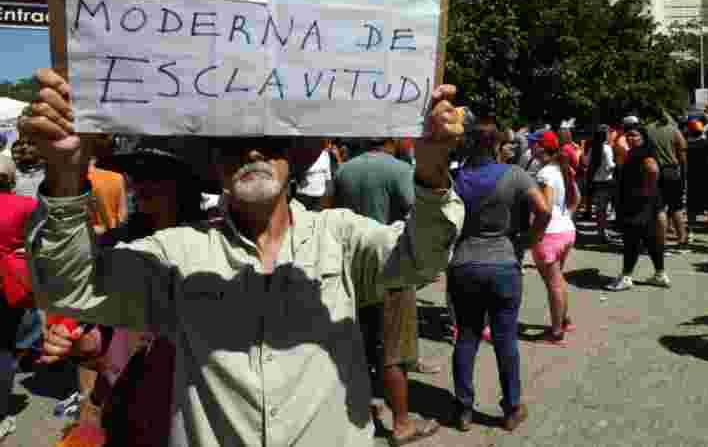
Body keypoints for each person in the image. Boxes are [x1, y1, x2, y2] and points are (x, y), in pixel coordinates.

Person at [18, 68, 464, 447]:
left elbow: (421, 260)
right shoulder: (177, 251)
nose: (252, 152)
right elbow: (68, 287)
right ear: (215, 164)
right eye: (234, 144)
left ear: (292, 157)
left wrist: (430, 169)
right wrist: (65, 173)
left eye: (269, 141)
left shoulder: (342, 236)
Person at [40, 138, 204, 447]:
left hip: (190, 402)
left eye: (155, 174)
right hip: (127, 402)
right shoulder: (114, 246)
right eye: (136, 174)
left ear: (184, 183)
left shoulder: (212, 246)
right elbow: (99, 337)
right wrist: (78, 342)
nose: (140, 184)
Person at [333, 136, 443, 444]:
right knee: (394, 349)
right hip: (392, 264)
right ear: (392, 138)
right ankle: (402, 423)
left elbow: (330, 213)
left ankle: (365, 408)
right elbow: (419, 214)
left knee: (363, 343)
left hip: (354, 266)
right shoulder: (398, 170)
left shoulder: (344, 170)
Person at [450, 114, 550, 432]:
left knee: (466, 336)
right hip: (504, 264)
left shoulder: (455, 177)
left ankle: (463, 410)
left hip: (464, 264)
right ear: (496, 143)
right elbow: (544, 210)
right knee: (506, 340)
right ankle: (510, 409)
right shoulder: (515, 175)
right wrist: (530, 239)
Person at [0, 156, 37, 440]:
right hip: (10, 283)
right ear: (12, 179)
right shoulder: (27, 205)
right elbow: (44, 243)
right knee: (5, 348)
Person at [606, 121, 667, 291]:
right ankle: (660, 274)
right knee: (649, 238)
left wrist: (646, 190)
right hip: (645, 202)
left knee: (631, 239)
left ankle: (626, 276)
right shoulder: (637, 152)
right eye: (629, 135)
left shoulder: (641, 153)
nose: (630, 138)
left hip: (637, 203)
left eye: (635, 135)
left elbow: (653, 169)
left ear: (643, 137)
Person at [531, 131, 578, 344]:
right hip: (566, 230)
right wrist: (566, 215)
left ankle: (556, 331)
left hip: (550, 234)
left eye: (534, 144)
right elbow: (575, 198)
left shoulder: (545, 174)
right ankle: (564, 320)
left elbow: (545, 209)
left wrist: (535, 234)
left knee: (554, 284)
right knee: (558, 280)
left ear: (541, 148)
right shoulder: (562, 169)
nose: (531, 148)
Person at [648, 112, 689, 252]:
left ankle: (660, 242)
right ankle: (682, 240)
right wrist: (683, 175)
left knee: (658, 209)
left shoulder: (647, 130)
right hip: (672, 172)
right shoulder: (674, 131)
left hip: (653, 171)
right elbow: (682, 155)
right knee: (676, 208)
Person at [587, 125, 616, 243]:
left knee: (600, 209)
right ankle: (603, 233)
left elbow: (586, 162)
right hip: (606, 181)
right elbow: (610, 166)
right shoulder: (607, 148)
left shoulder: (592, 148)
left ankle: (600, 231)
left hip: (596, 181)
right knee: (604, 209)